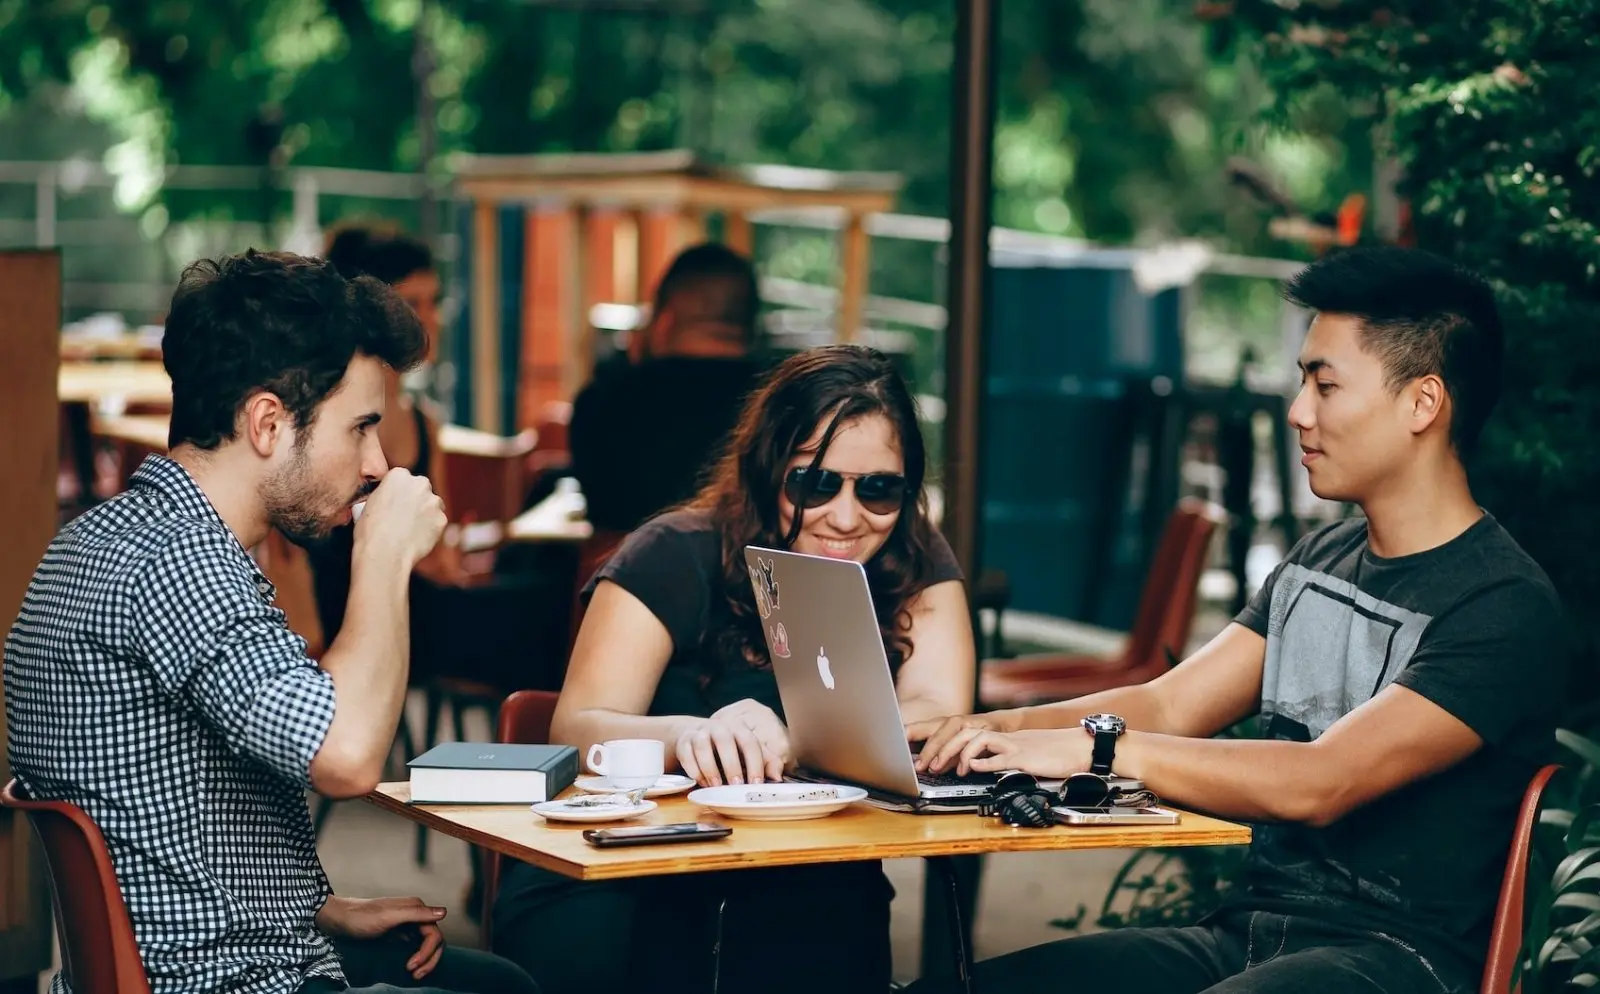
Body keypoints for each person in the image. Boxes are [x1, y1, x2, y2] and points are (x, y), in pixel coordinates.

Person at [906, 245, 1568, 994]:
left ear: (1423, 403)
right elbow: (1170, 703)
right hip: (1251, 935)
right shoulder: (1322, 557)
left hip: (1399, 960)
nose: (1298, 413)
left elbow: (1321, 780)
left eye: (1325, 384)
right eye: (1301, 383)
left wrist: (1101, 753)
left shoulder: (1501, 604)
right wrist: (997, 732)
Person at [3, 250, 539, 994]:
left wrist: (317, 910)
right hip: (225, 981)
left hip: (199, 958)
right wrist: (382, 557)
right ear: (267, 423)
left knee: (496, 981)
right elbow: (347, 757)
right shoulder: (180, 564)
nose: (378, 463)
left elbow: (168, 811)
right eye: (359, 429)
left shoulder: (107, 538)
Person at [491, 344, 977, 994]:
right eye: (815, 483)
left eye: (880, 489)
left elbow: (942, 710)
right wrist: (694, 736)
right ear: (768, 468)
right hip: (633, 871)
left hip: (811, 876)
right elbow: (572, 728)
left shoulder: (912, 555)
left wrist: (794, 736)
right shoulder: (673, 552)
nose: (846, 515)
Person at [568, 242, 766, 532]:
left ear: (664, 319)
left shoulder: (603, 401)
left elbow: (599, 511)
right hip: (746, 574)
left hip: (624, 573)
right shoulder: (780, 402)